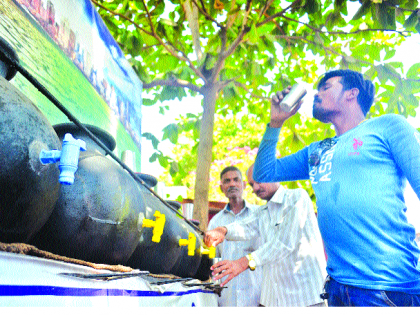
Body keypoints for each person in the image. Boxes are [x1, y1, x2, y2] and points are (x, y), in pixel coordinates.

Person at [252, 69, 420, 306]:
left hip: (386, 287)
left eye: (326, 87)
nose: (317, 94)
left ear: (352, 93)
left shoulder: (388, 126)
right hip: (337, 288)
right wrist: (275, 122)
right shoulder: (316, 150)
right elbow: (263, 173)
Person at [205, 164, 327, 307]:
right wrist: (223, 230)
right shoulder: (263, 211)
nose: (255, 188)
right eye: (252, 184)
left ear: (274, 176)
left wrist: (243, 262)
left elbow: (283, 243)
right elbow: (245, 226)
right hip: (277, 300)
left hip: (306, 298)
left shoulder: (297, 197)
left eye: (259, 181)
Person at [207, 166, 262, 306]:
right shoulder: (215, 222)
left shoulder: (260, 215)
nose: (232, 184)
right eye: (227, 181)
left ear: (244, 185)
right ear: (221, 188)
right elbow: (213, 262)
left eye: (236, 180)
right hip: (227, 299)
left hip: (257, 296)